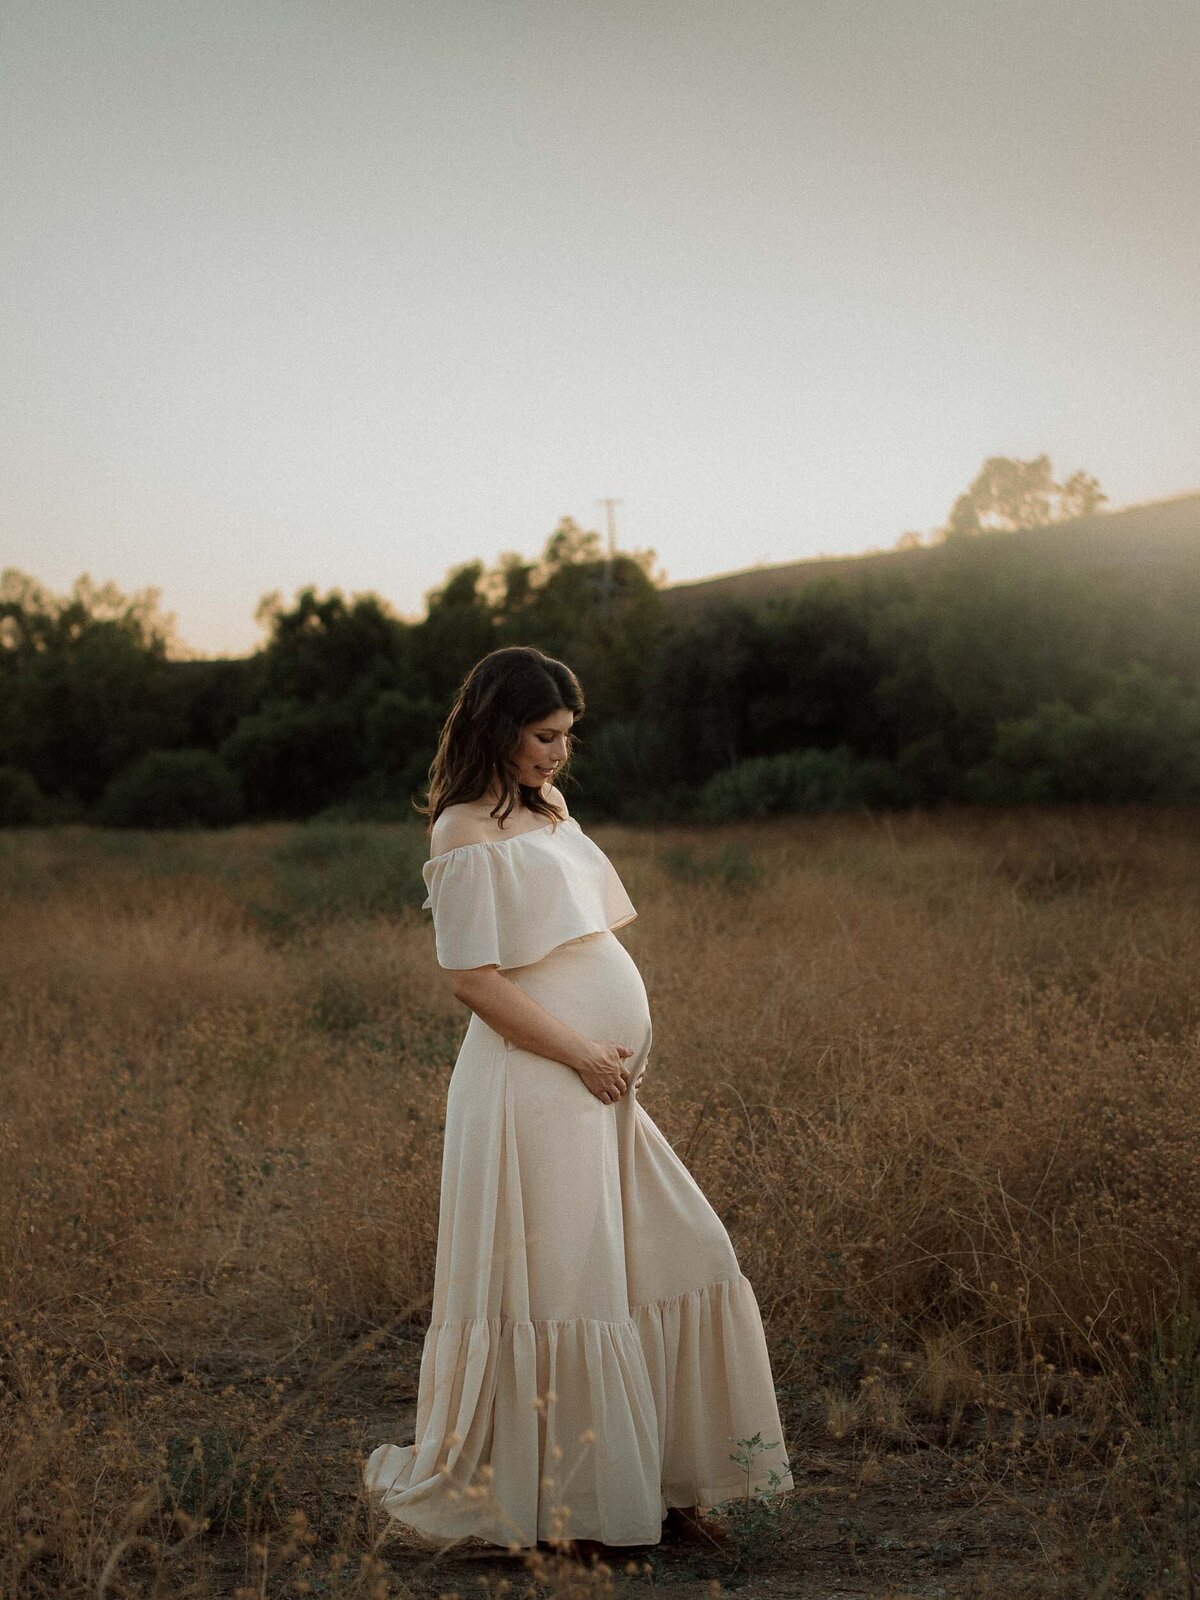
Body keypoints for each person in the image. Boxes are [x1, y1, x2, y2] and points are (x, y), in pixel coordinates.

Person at [363, 646, 792, 1557]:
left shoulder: (550, 807)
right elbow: (474, 981)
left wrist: (610, 1057)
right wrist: (583, 1054)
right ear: (497, 728)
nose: (560, 754)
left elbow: (582, 938)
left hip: (597, 1084)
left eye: (567, 737)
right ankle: (581, 1513)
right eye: (543, 736)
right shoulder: (462, 833)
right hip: (535, 1081)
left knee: (675, 1252)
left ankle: (663, 1487)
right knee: (574, 1281)